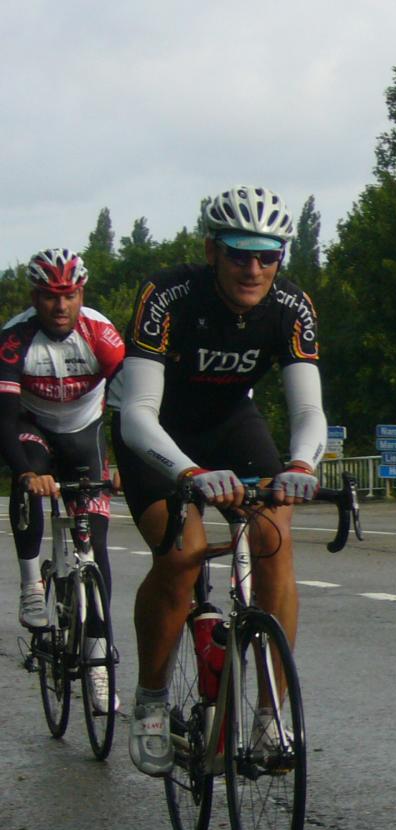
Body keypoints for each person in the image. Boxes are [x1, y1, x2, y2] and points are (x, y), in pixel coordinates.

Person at [116, 184, 327, 776]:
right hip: (157, 430)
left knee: (274, 538)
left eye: (267, 256)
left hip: (231, 422)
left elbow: (309, 410)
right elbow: (137, 415)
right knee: (182, 555)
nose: (253, 269)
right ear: (212, 250)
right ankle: (151, 699)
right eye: (238, 253)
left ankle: (269, 715)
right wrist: (190, 473)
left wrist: (302, 465)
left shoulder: (291, 306)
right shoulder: (167, 295)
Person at [0, 248, 123, 712]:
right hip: (31, 427)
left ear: (81, 295)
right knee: (28, 474)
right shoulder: (14, 339)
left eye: (69, 295)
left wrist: (125, 464)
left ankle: (98, 663)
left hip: (84, 433)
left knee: (97, 551)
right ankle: (32, 584)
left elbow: (132, 402)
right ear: (35, 297)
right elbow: (4, 418)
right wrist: (26, 472)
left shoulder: (100, 334)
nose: (60, 305)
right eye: (51, 296)